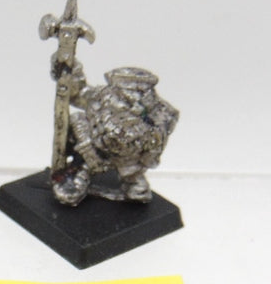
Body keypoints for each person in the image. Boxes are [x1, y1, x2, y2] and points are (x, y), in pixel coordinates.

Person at [52, 66, 179, 205]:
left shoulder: (162, 112)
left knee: (136, 185)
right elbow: (79, 95)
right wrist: (71, 71)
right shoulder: (106, 96)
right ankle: (80, 171)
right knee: (78, 121)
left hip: (131, 159)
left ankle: (132, 182)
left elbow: (154, 144)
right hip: (95, 149)